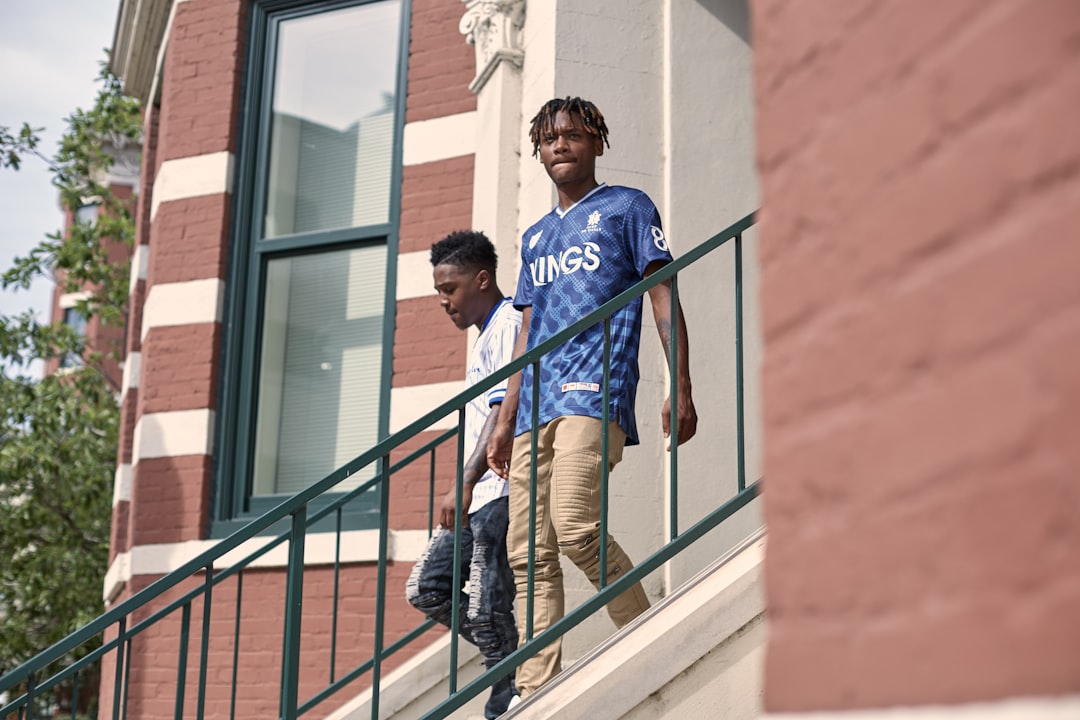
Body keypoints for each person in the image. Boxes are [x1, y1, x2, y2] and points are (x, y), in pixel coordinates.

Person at [485, 97, 698, 698]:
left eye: (574, 136)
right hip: (532, 406)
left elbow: (662, 294)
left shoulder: (628, 208)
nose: (560, 146)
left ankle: (643, 629)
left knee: (576, 526)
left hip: (593, 390)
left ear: (597, 142)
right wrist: (503, 420)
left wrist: (679, 384)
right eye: (549, 138)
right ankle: (534, 688)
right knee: (527, 552)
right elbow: (527, 331)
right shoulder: (535, 238)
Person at [405, 230, 522, 719]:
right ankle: (513, 657)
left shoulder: (511, 322)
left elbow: (501, 416)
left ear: (482, 279)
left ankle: (505, 693)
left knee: (483, 605)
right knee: (427, 588)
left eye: (449, 289)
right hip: (480, 492)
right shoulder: (484, 337)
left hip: (498, 489)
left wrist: (466, 480)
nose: (443, 302)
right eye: (438, 291)